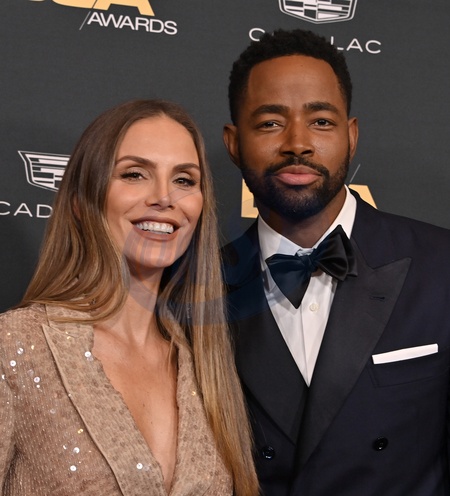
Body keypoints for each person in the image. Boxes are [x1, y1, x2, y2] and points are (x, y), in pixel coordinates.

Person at [221, 28, 450, 496]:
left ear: (351, 136)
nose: (298, 143)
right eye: (270, 123)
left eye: (321, 121)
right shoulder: (193, 289)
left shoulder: (442, 266)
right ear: (233, 142)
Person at [0, 99, 258, 496]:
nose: (164, 197)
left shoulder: (207, 363)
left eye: (184, 180)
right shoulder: (14, 346)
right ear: (81, 201)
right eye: (135, 174)